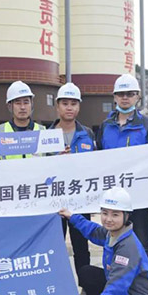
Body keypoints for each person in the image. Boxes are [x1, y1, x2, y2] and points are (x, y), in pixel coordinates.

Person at [59, 187, 148, 295]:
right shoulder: (113, 233)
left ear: (126, 216)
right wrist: (72, 217)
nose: (108, 219)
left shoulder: (127, 247)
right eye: (105, 213)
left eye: (115, 214)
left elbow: (117, 287)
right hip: (127, 287)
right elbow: (93, 231)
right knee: (86, 273)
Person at [96, 74, 148, 272]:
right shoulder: (105, 126)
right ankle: (115, 284)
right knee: (112, 243)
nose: (125, 98)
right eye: (121, 94)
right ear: (114, 97)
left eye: (130, 94)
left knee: (142, 243)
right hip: (112, 199)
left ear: (138, 97)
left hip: (137, 198)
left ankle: (147, 287)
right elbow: (96, 160)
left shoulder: (147, 125)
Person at [48, 83, 96, 276]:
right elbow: (38, 168)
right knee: (54, 247)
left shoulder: (88, 134)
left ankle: (85, 285)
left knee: (81, 247)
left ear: (79, 107)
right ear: (57, 106)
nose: (69, 108)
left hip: (80, 201)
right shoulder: (46, 135)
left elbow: (97, 165)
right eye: (65, 103)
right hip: (54, 201)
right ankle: (57, 285)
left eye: (73, 104)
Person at [0, 80, 45, 160]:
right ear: (10, 106)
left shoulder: (43, 131)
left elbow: (52, 160)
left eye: (26, 102)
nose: (22, 107)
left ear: (32, 104)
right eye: (18, 103)